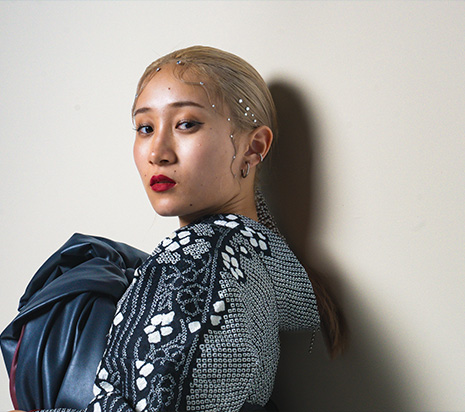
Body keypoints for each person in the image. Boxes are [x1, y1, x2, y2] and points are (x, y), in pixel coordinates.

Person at [5, 45, 346, 412]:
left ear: (254, 147)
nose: (158, 152)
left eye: (186, 124)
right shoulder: (253, 254)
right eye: (145, 128)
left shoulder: (200, 257)